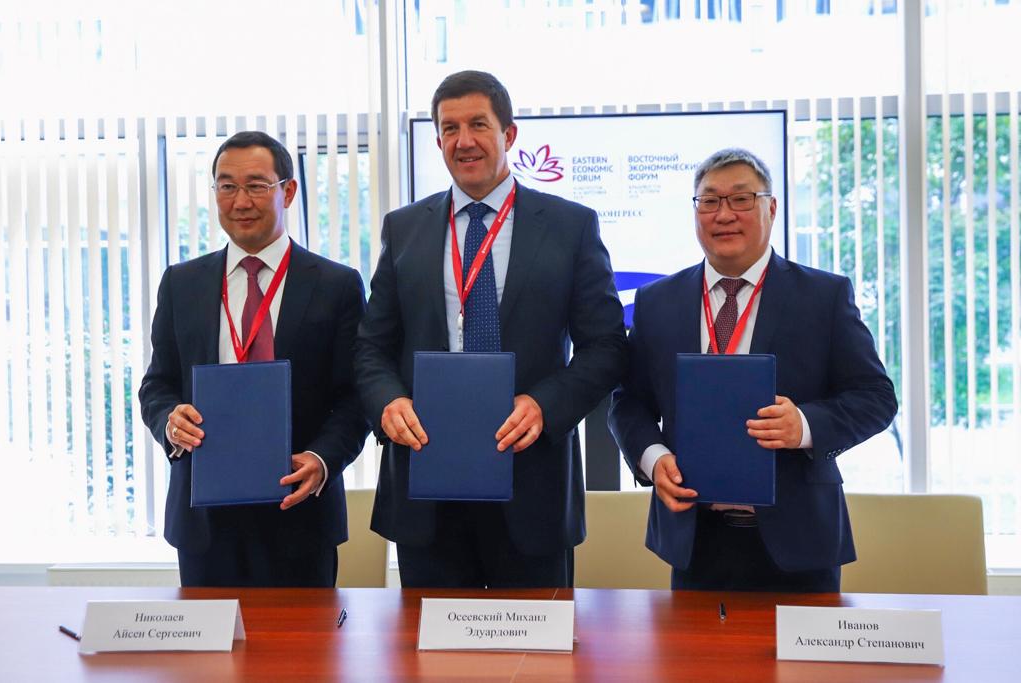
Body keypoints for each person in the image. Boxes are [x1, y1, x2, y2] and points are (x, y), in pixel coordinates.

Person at [355, 70, 626, 588]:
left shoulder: (570, 226)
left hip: (532, 483)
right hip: (425, 483)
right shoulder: (404, 228)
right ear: (438, 141)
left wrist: (545, 405)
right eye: (449, 128)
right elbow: (371, 347)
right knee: (429, 640)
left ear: (509, 133)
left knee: (533, 640)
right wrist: (388, 402)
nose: (464, 140)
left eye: (478, 124)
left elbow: (607, 347)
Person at [608, 148, 897, 592]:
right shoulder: (657, 301)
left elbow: (876, 398)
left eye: (741, 199)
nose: (724, 214)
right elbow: (629, 403)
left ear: (771, 208)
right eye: (709, 201)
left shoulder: (823, 296)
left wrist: (804, 426)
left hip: (800, 540)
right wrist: (653, 457)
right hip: (694, 537)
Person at [139, 131, 368, 587]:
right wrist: (169, 420)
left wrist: (323, 458)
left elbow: (356, 396)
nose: (240, 201)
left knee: (304, 639)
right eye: (227, 186)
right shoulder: (182, 284)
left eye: (256, 186)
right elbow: (157, 385)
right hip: (204, 522)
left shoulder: (336, 285)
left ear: (288, 191)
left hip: (299, 513)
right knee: (210, 636)